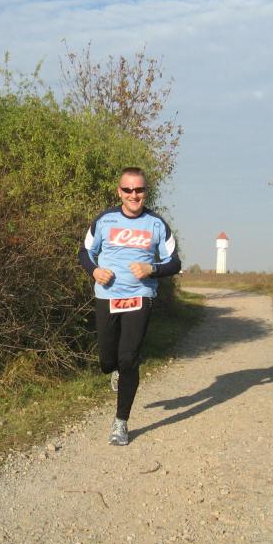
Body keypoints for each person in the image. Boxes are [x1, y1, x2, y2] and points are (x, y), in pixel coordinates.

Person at [78, 167, 181, 445]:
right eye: (128, 190)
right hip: (107, 296)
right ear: (119, 191)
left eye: (139, 190)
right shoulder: (105, 220)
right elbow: (85, 251)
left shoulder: (156, 224)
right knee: (107, 360)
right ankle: (114, 370)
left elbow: (174, 262)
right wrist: (94, 270)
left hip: (140, 296)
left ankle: (120, 422)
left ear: (146, 192)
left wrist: (152, 268)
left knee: (129, 359)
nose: (134, 195)